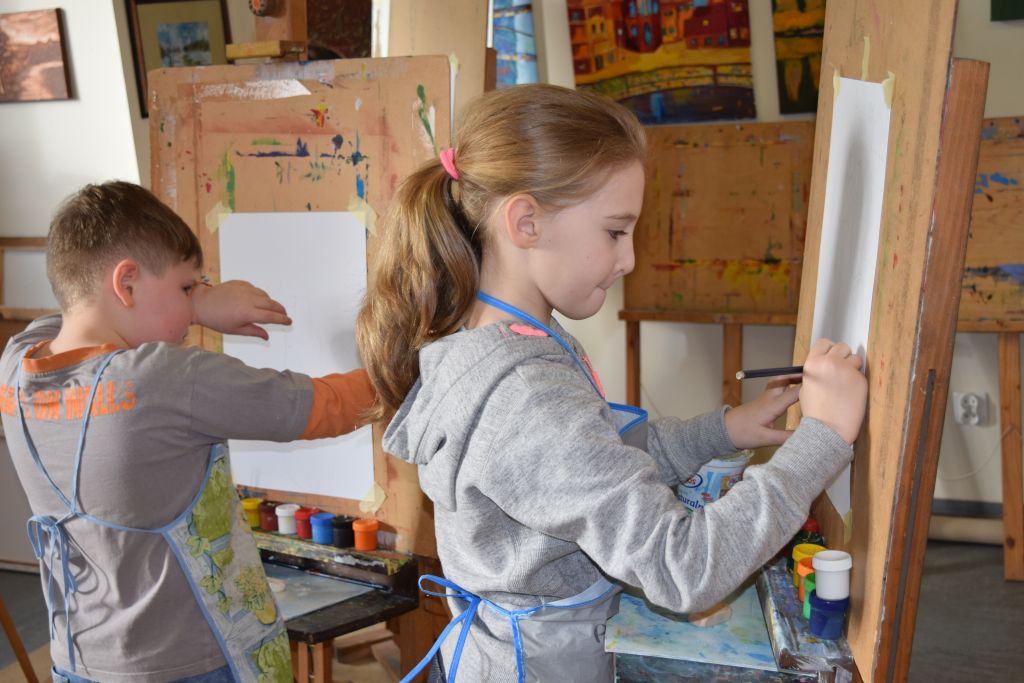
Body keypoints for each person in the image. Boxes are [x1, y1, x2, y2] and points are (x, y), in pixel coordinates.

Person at [356, 84, 868, 683]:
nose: (628, 260)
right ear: (526, 222)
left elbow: (601, 457)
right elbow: (682, 567)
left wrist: (723, 430)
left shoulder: (513, 338)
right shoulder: (524, 396)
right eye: (615, 232)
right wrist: (823, 437)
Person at [1, 181, 375, 683]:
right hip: (188, 660)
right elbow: (323, 406)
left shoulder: (16, 365)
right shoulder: (165, 377)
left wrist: (192, 302)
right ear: (126, 283)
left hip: (80, 658)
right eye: (186, 286)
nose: (194, 298)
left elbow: (67, 318)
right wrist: (414, 366)